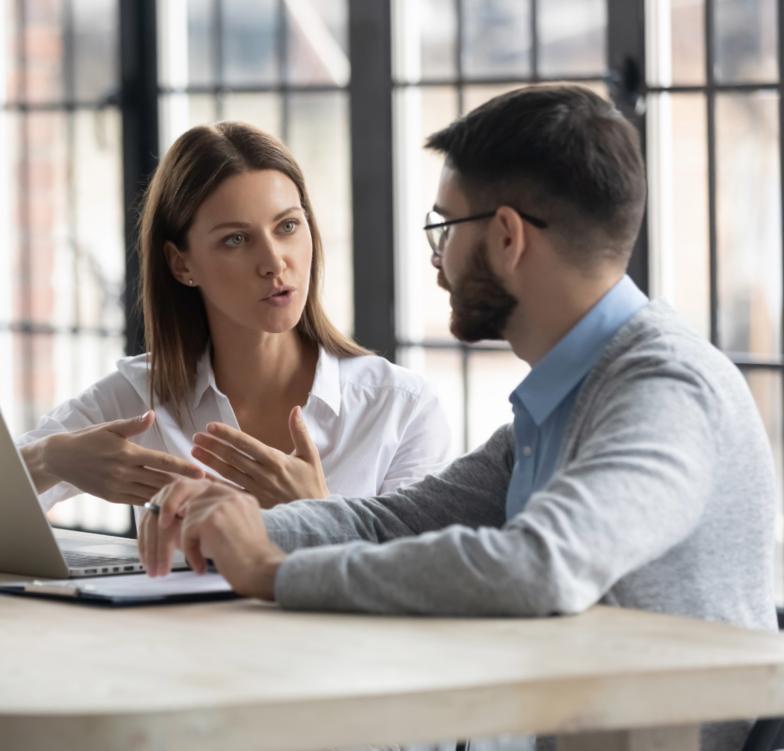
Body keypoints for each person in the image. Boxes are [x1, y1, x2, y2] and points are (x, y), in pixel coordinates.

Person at [139, 86, 778, 751]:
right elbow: (389, 520)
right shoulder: (569, 397)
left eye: (444, 227)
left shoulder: (665, 387)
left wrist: (273, 572)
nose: (436, 258)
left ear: (507, 236)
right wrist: (230, 525)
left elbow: (538, 566)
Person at [16, 121, 452, 521]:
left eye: (287, 227)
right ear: (181, 263)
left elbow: (418, 580)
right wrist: (51, 461)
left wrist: (316, 511)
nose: (273, 261)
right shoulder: (142, 398)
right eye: (236, 239)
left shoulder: (400, 408)